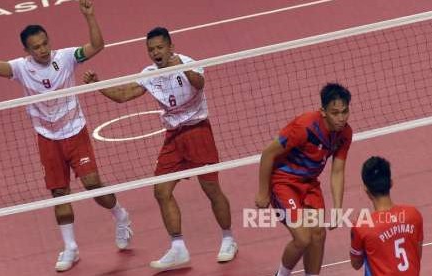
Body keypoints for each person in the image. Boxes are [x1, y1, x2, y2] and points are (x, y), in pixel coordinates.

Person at [0, 0, 132, 272]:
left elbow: (97, 46)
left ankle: (121, 216)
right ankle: (70, 248)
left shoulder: (66, 57)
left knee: (93, 186)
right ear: (26, 50)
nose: (43, 49)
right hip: (47, 137)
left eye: (45, 43)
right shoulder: (21, 68)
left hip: (75, 132)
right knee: (59, 194)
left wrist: (90, 16)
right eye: (36, 47)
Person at [83, 26, 238, 270]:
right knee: (161, 190)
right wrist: (98, 85)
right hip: (173, 138)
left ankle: (228, 239)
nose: (155, 52)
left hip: (198, 132)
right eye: (151, 49)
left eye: (159, 47)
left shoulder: (188, 62)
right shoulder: (150, 73)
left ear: (170, 47)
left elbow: (199, 84)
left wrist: (181, 68)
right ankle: (178, 248)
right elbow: (125, 95)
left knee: (211, 188)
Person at [255, 83, 353, 276]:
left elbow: (337, 171)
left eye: (345, 111)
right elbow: (268, 154)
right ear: (323, 111)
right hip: (284, 182)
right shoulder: (304, 127)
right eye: (335, 113)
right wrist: (263, 191)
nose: (341, 118)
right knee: (302, 238)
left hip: (309, 184)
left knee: (318, 234)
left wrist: (338, 208)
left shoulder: (345, 134)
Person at [350, 156, 423, 275]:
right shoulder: (414, 215)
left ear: (366, 189)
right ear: (391, 183)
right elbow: (416, 255)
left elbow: (356, 264)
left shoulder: (362, 226)